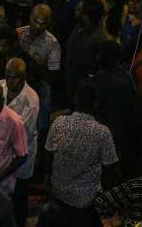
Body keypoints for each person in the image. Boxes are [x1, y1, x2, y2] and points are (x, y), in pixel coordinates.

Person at [45, 85, 118, 223]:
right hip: (86, 201)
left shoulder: (59, 122)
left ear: (75, 101)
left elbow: (48, 154)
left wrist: (48, 178)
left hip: (59, 193)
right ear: (95, 104)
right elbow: (111, 168)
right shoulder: (102, 132)